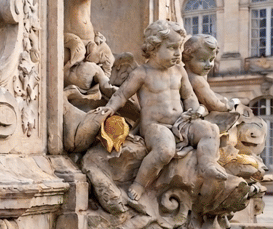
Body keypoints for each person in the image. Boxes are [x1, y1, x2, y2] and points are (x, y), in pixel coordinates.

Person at [95, 20, 228, 210]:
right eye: (172, 47)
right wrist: (109, 108)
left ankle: (207, 163)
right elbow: (122, 94)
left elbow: (189, 96)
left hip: (182, 122)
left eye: (179, 48)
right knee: (165, 151)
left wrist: (194, 111)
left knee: (210, 129)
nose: (177, 53)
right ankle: (140, 184)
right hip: (155, 126)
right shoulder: (142, 73)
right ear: (154, 47)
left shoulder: (179, 71)